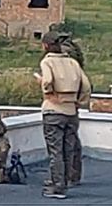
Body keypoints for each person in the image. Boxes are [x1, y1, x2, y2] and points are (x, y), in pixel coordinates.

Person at [35, 31, 91, 199]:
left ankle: (58, 186)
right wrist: (79, 102)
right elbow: (87, 85)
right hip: (71, 110)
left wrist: (48, 92)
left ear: (45, 45)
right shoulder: (73, 62)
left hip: (54, 110)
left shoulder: (47, 62)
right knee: (69, 148)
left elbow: (48, 81)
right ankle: (66, 179)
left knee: (55, 151)